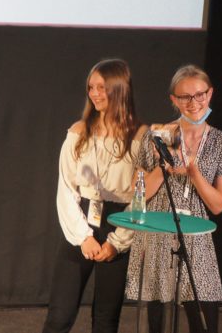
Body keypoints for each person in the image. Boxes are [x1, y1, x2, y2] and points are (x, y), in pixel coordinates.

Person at [125, 64, 222, 333]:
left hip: (196, 240)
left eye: (200, 94)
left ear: (210, 94)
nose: (194, 102)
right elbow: (137, 192)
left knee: (203, 323)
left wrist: (194, 172)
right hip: (157, 237)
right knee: (156, 324)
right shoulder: (155, 137)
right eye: (185, 97)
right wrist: (159, 166)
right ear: (174, 100)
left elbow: (218, 205)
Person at [42, 59, 147, 333]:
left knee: (105, 320)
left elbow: (140, 198)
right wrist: (83, 236)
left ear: (120, 88)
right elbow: (66, 189)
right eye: (91, 87)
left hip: (120, 222)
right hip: (82, 220)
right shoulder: (78, 132)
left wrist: (118, 241)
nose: (95, 93)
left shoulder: (140, 136)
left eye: (102, 87)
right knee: (59, 316)